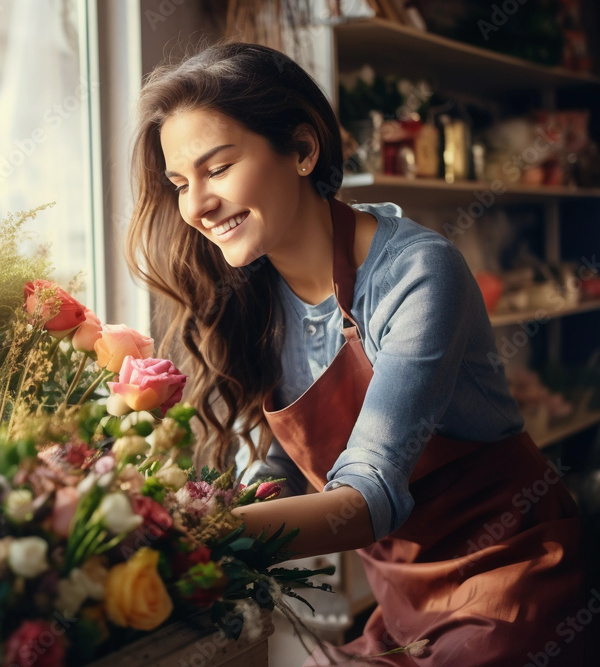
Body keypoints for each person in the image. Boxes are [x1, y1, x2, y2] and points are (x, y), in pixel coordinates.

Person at [125, 42, 586, 666]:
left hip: (512, 585)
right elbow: (289, 468)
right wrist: (218, 503)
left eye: (220, 167)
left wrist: (192, 532)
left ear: (304, 150)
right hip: (403, 604)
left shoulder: (419, 273)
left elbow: (368, 499)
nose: (197, 205)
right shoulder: (250, 293)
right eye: (181, 183)